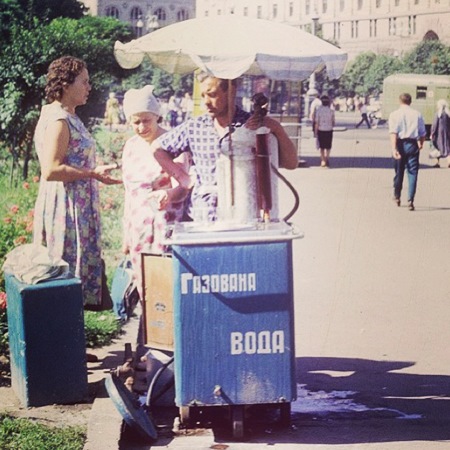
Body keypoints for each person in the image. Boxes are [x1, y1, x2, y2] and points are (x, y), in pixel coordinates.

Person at [33, 55, 120, 309]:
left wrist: (93, 171)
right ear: (65, 84)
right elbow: (51, 170)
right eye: (84, 81)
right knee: (65, 267)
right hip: (66, 206)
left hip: (75, 203)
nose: (89, 87)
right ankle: (62, 331)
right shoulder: (59, 120)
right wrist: (91, 173)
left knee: (72, 268)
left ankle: (70, 330)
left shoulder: (67, 115)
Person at [151, 73, 298, 221]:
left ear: (231, 91)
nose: (206, 102)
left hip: (244, 215)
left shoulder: (252, 126)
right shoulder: (194, 126)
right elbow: (157, 148)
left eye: (212, 95)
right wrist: (183, 178)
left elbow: (291, 163)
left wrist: (277, 129)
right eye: (203, 96)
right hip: (202, 216)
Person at [121, 85, 190, 301]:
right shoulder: (130, 146)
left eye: (146, 120)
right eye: (136, 122)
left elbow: (183, 186)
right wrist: (126, 233)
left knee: (166, 284)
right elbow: (128, 192)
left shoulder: (171, 142)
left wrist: (168, 194)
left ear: (157, 116)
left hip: (164, 227)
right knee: (144, 285)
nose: (141, 127)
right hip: (138, 227)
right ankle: (148, 320)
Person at [389, 93, 426, 211]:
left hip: (400, 144)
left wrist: (394, 148)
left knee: (399, 171)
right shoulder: (417, 114)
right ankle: (410, 199)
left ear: (400, 101)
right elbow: (423, 132)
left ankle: (397, 196)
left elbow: (393, 132)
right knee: (413, 172)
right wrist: (421, 143)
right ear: (410, 101)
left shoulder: (394, 114)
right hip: (412, 144)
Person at [314, 95, 335, 168]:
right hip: (329, 130)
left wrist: (316, 132)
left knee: (322, 146)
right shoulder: (331, 111)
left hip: (321, 130)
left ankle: (323, 160)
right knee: (328, 146)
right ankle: (327, 158)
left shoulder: (319, 111)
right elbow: (333, 122)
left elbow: (317, 122)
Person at [430, 99, 450, 168]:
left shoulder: (438, 114)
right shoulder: (448, 114)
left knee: (437, 147)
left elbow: (434, 124)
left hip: (439, 134)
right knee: (447, 147)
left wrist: (432, 133)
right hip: (447, 133)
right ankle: (449, 161)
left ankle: (437, 163)